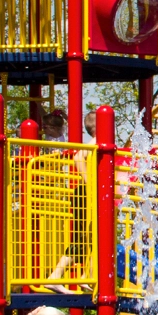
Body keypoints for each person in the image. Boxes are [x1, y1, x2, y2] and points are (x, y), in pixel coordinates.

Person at [44, 113, 98, 294]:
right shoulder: (96, 141)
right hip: (87, 193)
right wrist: (90, 184)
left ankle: (85, 276)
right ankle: (56, 277)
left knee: (92, 238)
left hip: (88, 193)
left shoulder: (97, 141)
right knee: (85, 237)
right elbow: (77, 158)